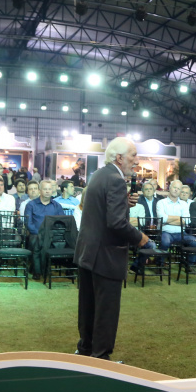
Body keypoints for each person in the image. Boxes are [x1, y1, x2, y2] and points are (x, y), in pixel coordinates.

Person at [74, 137, 149, 361]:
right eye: (133, 155)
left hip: (88, 252)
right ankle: (101, 358)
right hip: (106, 255)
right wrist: (140, 237)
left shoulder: (99, 174)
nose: (136, 160)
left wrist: (125, 203)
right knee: (105, 311)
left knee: (88, 307)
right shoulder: (116, 180)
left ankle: (86, 350)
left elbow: (100, 211)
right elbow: (116, 223)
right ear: (119, 157)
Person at [157, 180, 196, 270]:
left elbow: (187, 220)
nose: (176, 190)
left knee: (195, 242)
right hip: (166, 232)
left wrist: (168, 219)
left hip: (181, 233)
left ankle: (189, 265)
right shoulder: (161, 202)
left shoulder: (184, 204)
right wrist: (178, 218)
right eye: (174, 187)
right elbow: (162, 219)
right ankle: (159, 264)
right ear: (169, 188)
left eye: (178, 188)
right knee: (165, 242)